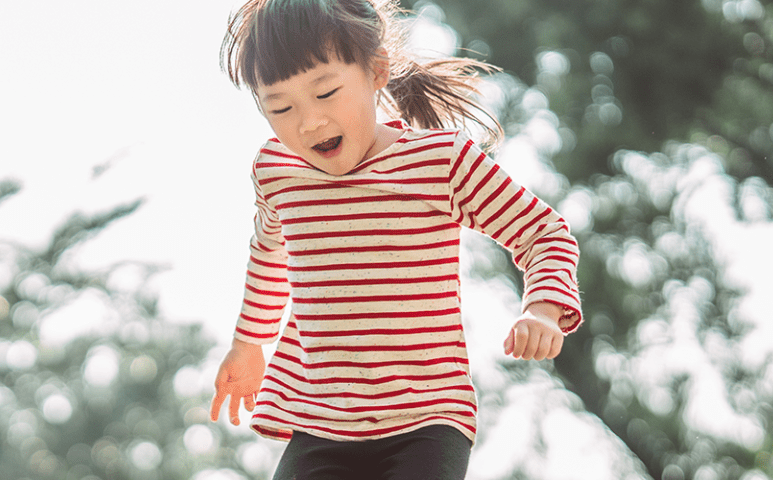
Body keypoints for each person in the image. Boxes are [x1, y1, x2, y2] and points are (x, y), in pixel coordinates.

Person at [207, 0, 583, 478]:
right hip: (321, 420)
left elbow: (542, 232)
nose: (307, 123)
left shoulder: (440, 162)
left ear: (376, 71)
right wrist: (249, 342)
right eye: (280, 107)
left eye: (325, 93)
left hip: (427, 419)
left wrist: (542, 308)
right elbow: (270, 254)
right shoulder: (277, 172)